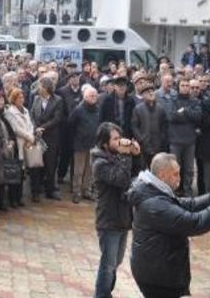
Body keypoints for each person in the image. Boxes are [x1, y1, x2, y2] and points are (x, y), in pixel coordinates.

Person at [128, 153, 210, 298]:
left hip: (157, 269)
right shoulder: (155, 205)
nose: (179, 177)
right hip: (158, 277)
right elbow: (195, 223)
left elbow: (187, 204)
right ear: (162, 175)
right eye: (175, 174)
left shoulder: (154, 191)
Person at [91, 122, 140, 298]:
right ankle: (102, 294)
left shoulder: (116, 156)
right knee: (108, 263)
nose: (120, 142)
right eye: (116, 139)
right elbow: (121, 180)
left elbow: (136, 175)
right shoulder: (99, 163)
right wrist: (126, 156)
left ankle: (106, 292)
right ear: (105, 143)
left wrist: (135, 154)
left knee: (116, 261)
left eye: (120, 137)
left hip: (123, 217)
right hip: (108, 218)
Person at [167, 79, 202, 196]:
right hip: (175, 140)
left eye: (187, 85)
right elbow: (172, 116)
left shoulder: (195, 101)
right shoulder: (173, 100)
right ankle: (175, 191)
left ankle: (188, 191)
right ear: (179, 86)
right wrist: (188, 116)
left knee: (189, 169)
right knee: (175, 168)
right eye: (183, 85)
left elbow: (198, 116)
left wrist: (184, 111)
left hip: (190, 141)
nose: (185, 87)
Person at [30, 77, 63, 200]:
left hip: (51, 137)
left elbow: (57, 118)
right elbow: (32, 114)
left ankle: (50, 190)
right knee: (36, 165)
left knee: (50, 165)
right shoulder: (36, 98)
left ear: (46, 88)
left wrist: (42, 128)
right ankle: (35, 192)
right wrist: (35, 128)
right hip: (37, 137)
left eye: (40, 86)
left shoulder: (58, 100)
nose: (38, 88)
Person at [67, 87, 101, 203]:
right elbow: (70, 125)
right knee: (78, 170)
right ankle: (76, 191)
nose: (94, 98)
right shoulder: (78, 110)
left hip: (93, 144)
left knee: (89, 170)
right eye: (91, 96)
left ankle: (86, 190)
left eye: (95, 96)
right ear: (85, 97)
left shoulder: (97, 109)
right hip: (80, 144)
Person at [130, 84, 169, 169]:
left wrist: (162, 138)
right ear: (143, 95)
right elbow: (134, 126)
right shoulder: (138, 109)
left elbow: (164, 126)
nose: (151, 93)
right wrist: (141, 139)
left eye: (152, 91)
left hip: (158, 146)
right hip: (143, 146)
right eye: (148, 92)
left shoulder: (160, 109)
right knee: (143, 171)